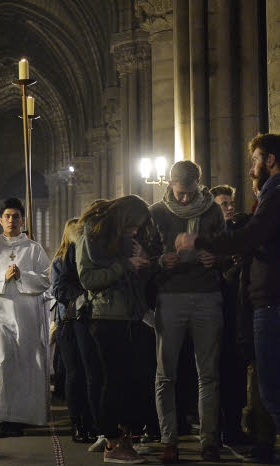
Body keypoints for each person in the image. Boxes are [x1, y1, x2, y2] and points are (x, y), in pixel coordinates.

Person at [176, 133, 280, 447]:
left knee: (272, 390)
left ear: (269, 160)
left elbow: (252, 235)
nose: (251, 169)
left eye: (255, 161)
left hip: (271, 302)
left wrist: (201, 241)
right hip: (266, 300)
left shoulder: (275, 190)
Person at [149, 160, 226, 462]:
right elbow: (145, 251)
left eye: (189, 193)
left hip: (207, 295)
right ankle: (169, 439)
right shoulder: (157, 213)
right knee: (165, 374)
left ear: (199, 185)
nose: (184, 199)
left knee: (208, 373)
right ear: (169, 185)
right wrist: (160, 261)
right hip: (170, 297)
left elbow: (225, 248)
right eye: (179, 193)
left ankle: (209, 440)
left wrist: (215, 259)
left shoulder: (212, 211)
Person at [75, 195, 156, 464]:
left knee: (133, 381)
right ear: (123, 218)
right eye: (133, 225)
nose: (135, 231)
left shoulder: (123, 238)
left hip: (133, 316)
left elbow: (133, 275)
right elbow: (88, 279)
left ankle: (125, 439)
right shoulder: (93, 234)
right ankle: (111, 442)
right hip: (107, 317)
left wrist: (143, 262)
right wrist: (125, 265)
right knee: (113, 382)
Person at [0, 198, 51, 438]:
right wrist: (2, 277)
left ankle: (19, 417)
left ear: (22, 220)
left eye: (15, 216)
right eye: (7, 216)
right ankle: (0, 417)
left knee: (23, 363)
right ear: (0, 220)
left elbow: (46, 279)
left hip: (25, 314)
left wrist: (22, 276)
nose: (11, 220)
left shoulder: (34, 249)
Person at [50, 218, 94, 443]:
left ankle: (91, 421)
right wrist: (83, 295)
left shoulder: (88, 256)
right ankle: (77, 421)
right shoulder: (60, 260)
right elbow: (58, 290)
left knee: (89, 372)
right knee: (75, 373)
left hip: (87, 320)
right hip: (68, 322)